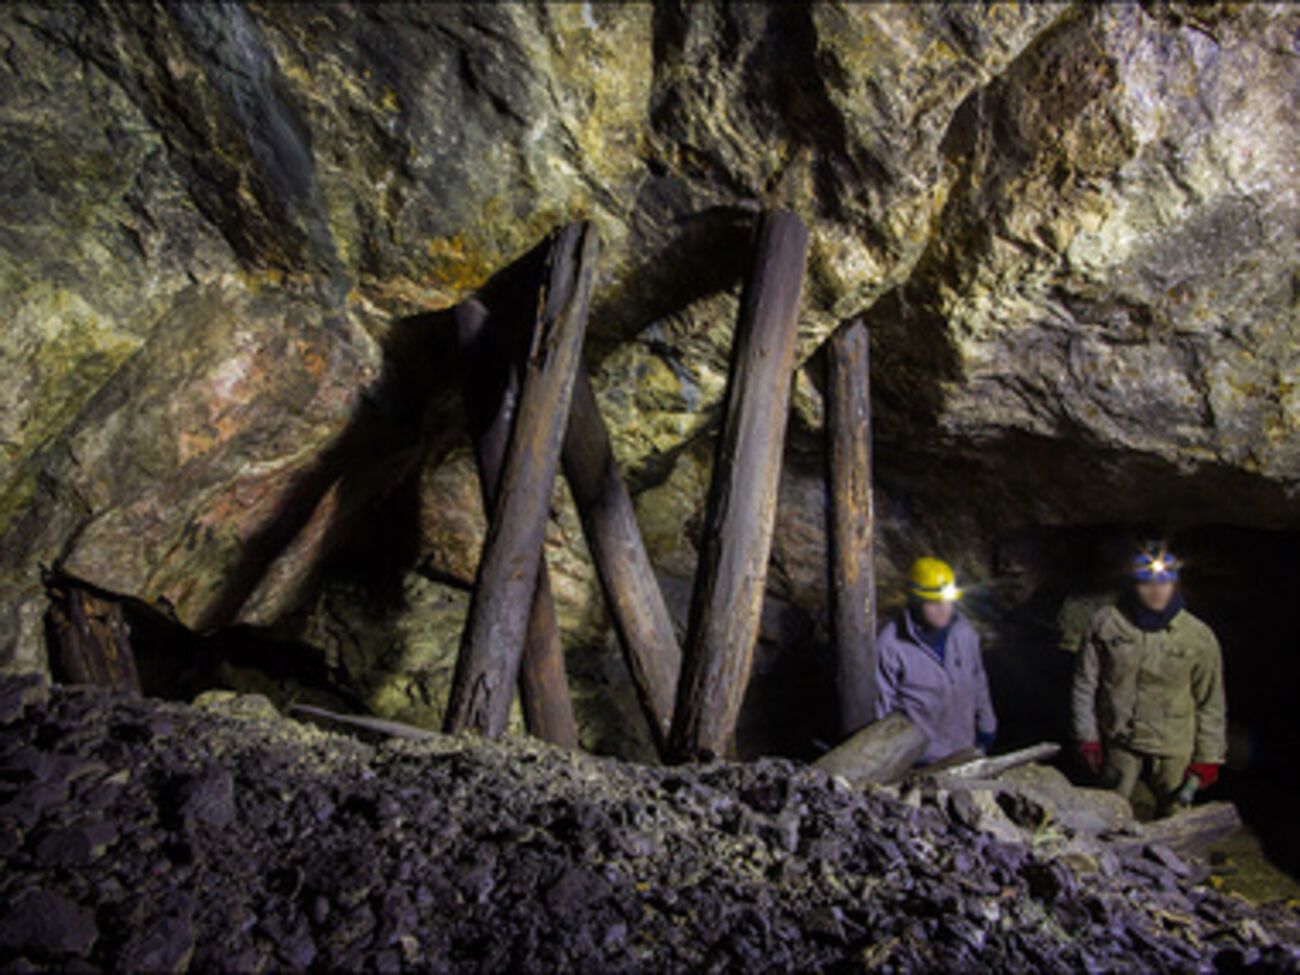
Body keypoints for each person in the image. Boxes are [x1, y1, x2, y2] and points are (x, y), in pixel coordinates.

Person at [1071, 541, 1226, 816]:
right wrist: (1087, 736)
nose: (1156, 591)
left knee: (1175, 817)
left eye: (1164, 583)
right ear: (1134, 584)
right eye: (1147, 583)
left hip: (1173, 745)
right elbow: (1085, 684)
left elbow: (1210, 701)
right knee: (1108, 813)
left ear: (1175, 585)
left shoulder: (1198, 636)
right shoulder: (1107, 623)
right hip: (1120, 739)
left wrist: (1208, 757)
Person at [874, 557, 997, 765]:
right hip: (918, 760)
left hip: (965, 751)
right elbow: (881, 707)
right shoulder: (890, 643)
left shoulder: (964, 633)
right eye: (934, 603)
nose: (944, 609)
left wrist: (987, 727)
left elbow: (978, 680)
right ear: (915, 601)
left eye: (948, 602)